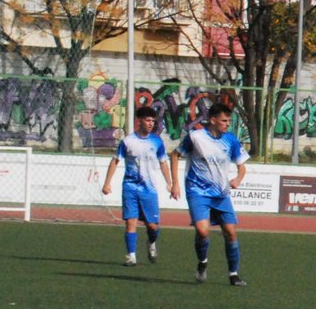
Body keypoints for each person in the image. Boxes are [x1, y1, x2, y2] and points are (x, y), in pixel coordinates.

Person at [170, 102, 249, 286]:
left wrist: (238, 179)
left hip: (221, 193)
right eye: (224, 120)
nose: (227, 124)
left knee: (230, 232)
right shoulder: (196, 137)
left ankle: (234, 274)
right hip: (197, 191)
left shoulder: (231, 140)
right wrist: (175, 184)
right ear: (212, 120)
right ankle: (202, 262)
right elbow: (174, 155)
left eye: (229, 121)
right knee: (202, 230)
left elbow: (242, 166)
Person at [101, 105, 172, 266]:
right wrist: (107, 183)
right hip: (130, 187)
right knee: (130, 221)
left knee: (152, 226)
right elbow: (115, 160)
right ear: (139, 121)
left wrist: (170, 183)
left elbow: (163, 162)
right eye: (147, 120)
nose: (151, 123)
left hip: (149, 189)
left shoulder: (157, 141)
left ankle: (151, 242)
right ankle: (131, 256)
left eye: (152, 121)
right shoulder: (128, 141)